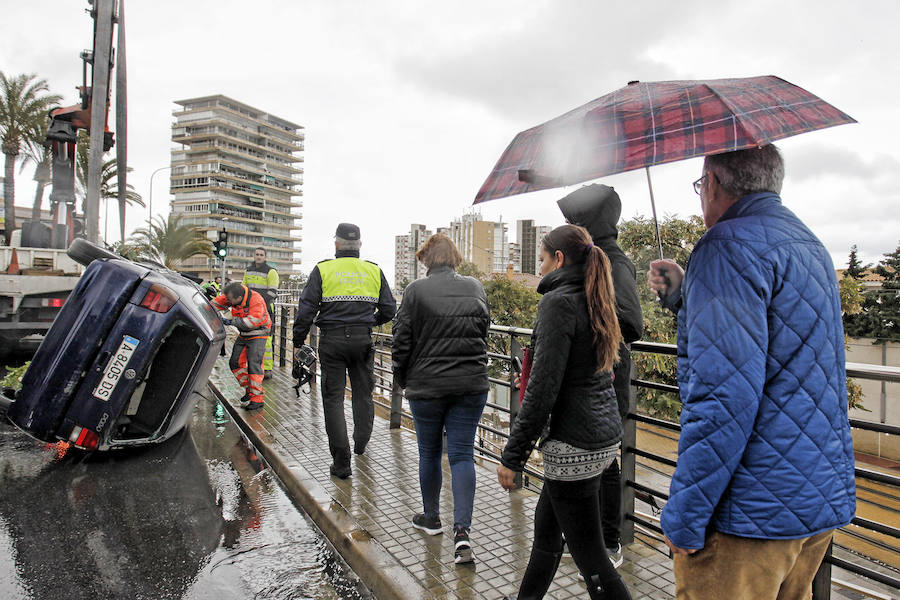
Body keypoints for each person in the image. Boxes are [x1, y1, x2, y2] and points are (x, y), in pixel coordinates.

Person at [647, 145, 856, 600]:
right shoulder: (809, 244)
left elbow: (723, 400)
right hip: (813, 500)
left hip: (749, 515)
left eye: (702, 185)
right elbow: (784, 348)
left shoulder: (725, 247)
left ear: (715, 183)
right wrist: (688, 296)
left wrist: (684, 515)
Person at [497, 225, 632, 600]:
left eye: (541, 259)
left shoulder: (558, 302)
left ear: (558, 259)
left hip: (572, 446)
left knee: (593, 562)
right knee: (546, 536)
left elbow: (542, 391)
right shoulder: (595, 296)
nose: (539, 269)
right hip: (600, 439)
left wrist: (514, 457)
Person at [557, 184, 642, 568]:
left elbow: (631, 322)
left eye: (576, 221)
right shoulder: (589, 258)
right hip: (587, 380)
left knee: (607, 462)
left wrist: (585, 321)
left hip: (606, 379)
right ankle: (583, 534)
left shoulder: (614, 262)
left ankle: (610, 540)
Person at [391, 233, 490, 565]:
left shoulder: (415, 291)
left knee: (429, 453)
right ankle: (462, 533)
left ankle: (431, 518)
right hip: (471, 384)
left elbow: (401, 340)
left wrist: (403, 378)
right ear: (455, 258)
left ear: (426, 259)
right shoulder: (475, 287)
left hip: (426, 386)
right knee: (462, 456)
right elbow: (483, 330)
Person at [292, 223, 396, 479]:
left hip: (333, 341)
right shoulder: (373, 270)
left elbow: (306, 309)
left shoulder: (323, 269)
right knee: (363, 394)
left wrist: (297, 341)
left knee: (333, 399)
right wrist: (369, 321)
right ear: (359, 245)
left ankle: (342, 463)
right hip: (363, 341)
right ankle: (361, 443)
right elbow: (390, 310)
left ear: (336, 244)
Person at [211, 282, 273, 411]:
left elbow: (251, 322)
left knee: (254, 366)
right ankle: (251, 390)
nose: (227, 301)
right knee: (235, 362)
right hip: (244, 334)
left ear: (238, 298)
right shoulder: (233, 295)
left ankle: (257, 399)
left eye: (230, 300)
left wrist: (230, 322)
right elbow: (215, 304)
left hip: (258, 333)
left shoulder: (256, 300)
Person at [243, 247, 279, 379]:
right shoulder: (248, 271)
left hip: (266, 310)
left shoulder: (271, 272)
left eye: (261, 255)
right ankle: (253, 367)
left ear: (265, 257)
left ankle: (267, 368)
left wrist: (257, 302)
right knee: (250, 338)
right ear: (254, 255)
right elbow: (244, 290)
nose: (258, 256)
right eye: (257, 254)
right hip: (251, 310)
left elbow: (272, 293)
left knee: (266, 339)